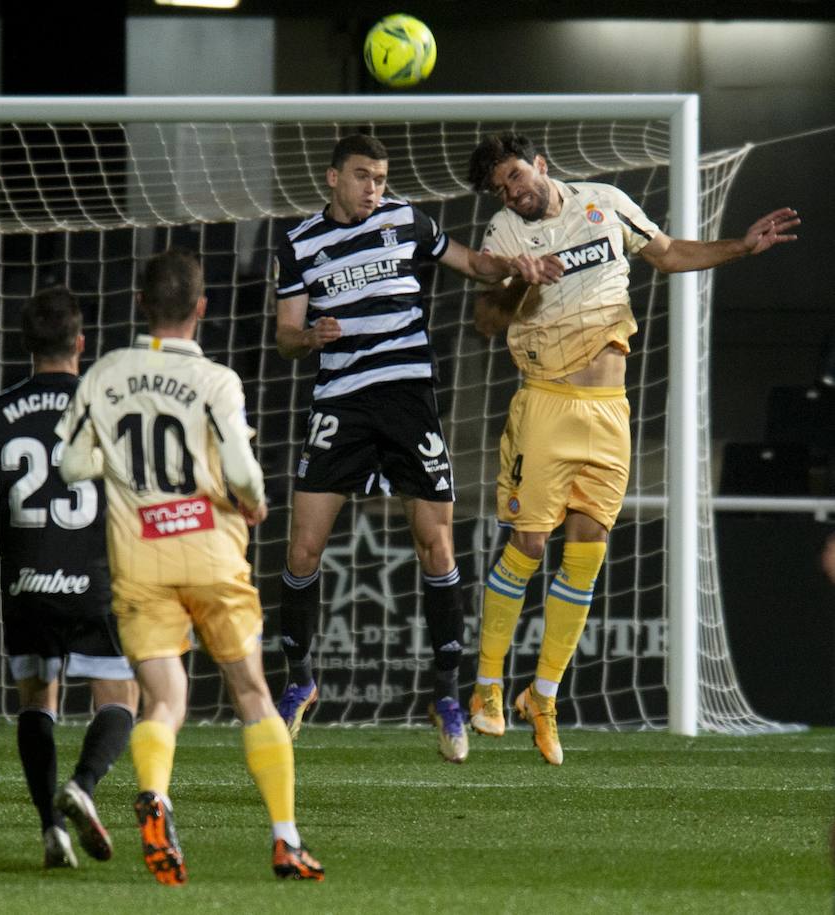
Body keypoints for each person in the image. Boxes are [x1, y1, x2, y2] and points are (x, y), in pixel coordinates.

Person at [464, 132, 799, 765]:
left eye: (515, 176)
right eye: (500, 188)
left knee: (587, 548)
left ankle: (543, 696)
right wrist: (518, 282)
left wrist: (741, 247)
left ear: (539, 164)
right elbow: (486, 319)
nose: (511, 192)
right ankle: (487, 685)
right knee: (528, 544)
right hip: (546, 403)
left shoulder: (605, 203)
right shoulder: (503, 234)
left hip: (610, 410)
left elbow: (667, 254)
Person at [272, 133, 560, 763]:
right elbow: (286, 335)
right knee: (302, 548)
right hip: (341, 404)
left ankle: (447, 695)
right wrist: (311, 337)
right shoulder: (299, 243)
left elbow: (474, 264)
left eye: (380, 178)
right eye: (362, 176)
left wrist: (517, 266)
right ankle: (300, 681)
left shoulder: (406, 220)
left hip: (408, 402)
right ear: (333, 178)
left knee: (437, 545)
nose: (374, 189)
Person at [57, 248, 324, 885]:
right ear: (201, 307)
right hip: (211, 554)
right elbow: (241, 470)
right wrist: (254, 501)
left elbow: (69, 465)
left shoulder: (105, 374)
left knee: (163, 699)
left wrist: (118, 466)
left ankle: (156, 794)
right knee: (252, 693)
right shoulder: (216, 380)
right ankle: (286, 839)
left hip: (140, 558)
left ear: (141, 305)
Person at [0, 286, 139, 869]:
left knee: (36, 701)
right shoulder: (108, 404)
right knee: (121, 696)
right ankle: (84, 785)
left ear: (26, 344)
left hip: (24, 583)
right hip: (92, 579)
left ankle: (51, 829)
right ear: (80, 342)